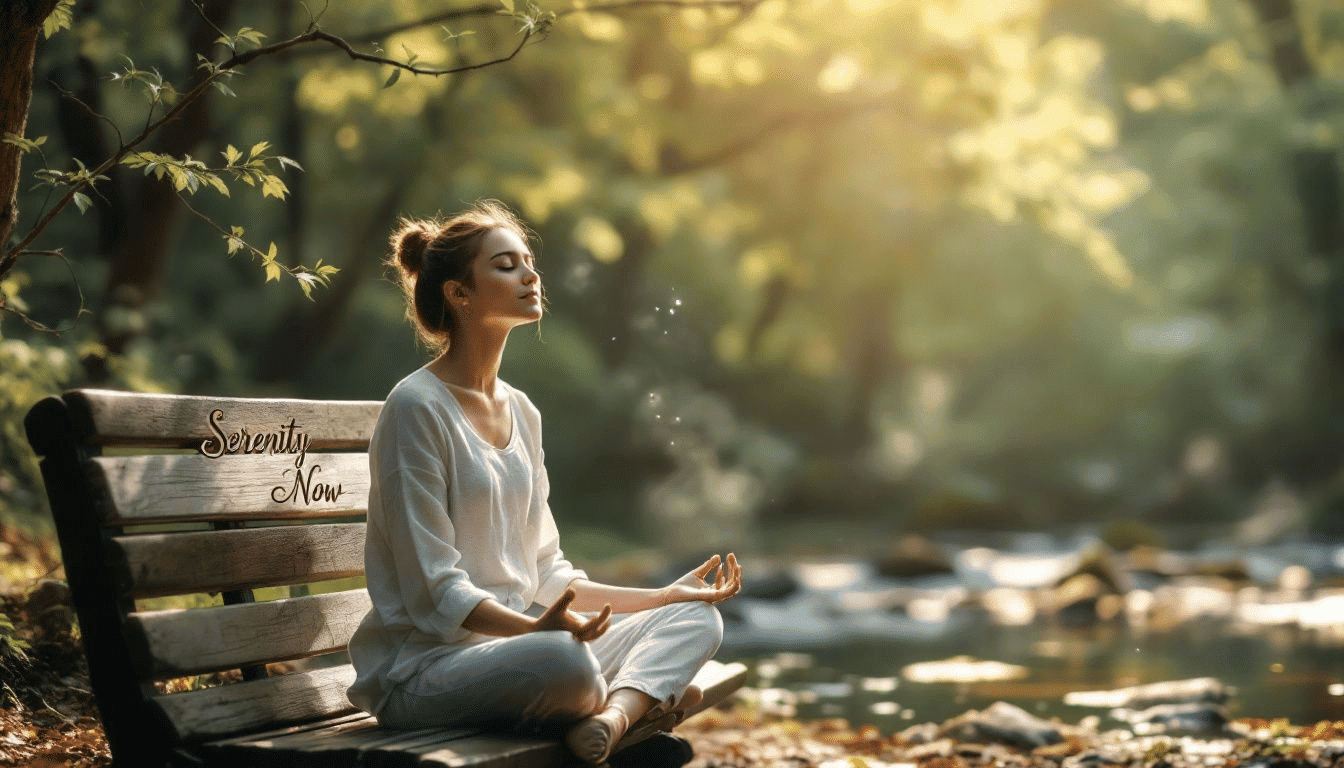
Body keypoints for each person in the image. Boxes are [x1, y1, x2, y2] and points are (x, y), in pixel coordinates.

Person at [345, 200, 742, 765]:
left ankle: (612, 719)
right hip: (424, 672)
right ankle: (645, 701)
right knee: (563, 661)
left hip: (523, 651)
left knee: (697, 619)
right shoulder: (416, 408)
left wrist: (660, 597)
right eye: (505, 265)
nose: (530, 275)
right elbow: (434, 589)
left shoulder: (523, 412)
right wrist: (533, 630)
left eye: (529, 263)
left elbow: (549, 572)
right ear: (459, 293)